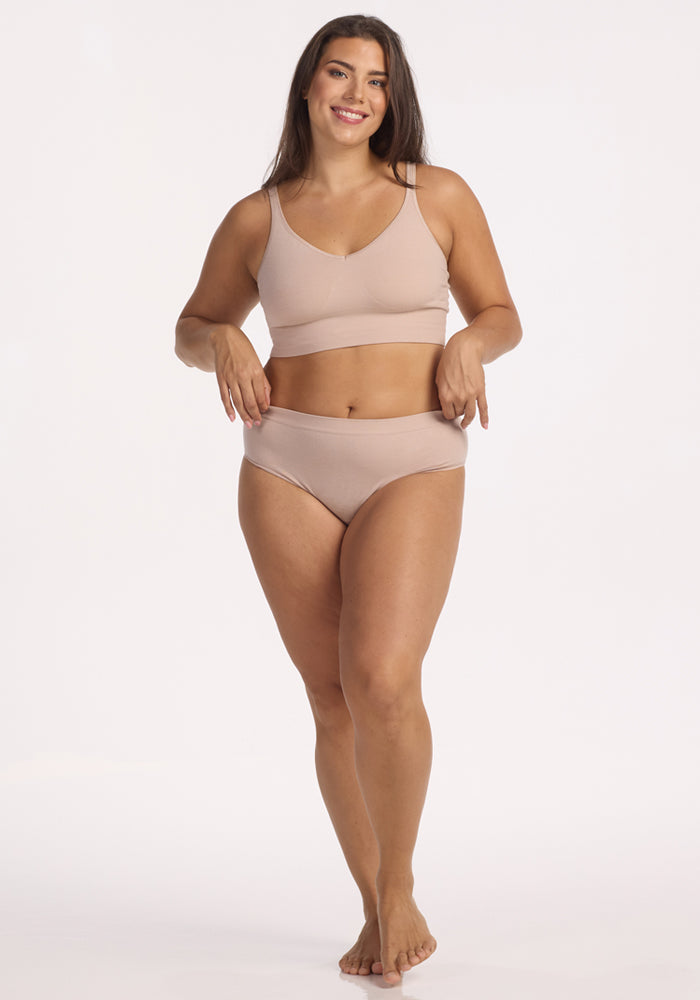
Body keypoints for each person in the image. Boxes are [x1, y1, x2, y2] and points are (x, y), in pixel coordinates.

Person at [175, 14, 521, 986]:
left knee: (380, 680)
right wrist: (224, 341)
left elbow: (502, 313)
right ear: (307, 86)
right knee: (330, 700)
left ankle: (400, 883)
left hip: (414, 455)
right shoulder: (258, 216)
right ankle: (372, 906)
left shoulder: (437, 197)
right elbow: (189, 324)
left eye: (375, 80)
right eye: (339, 72)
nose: (355, 93)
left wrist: (467, 343)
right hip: (284, 463)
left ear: (389, 100)